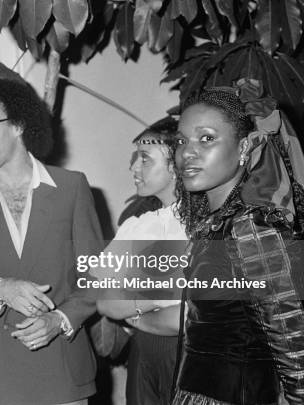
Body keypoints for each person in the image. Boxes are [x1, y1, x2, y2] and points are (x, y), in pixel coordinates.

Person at [0, 79, 103, 405]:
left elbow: (98, 277)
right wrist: (0, 289)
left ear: (18, 125)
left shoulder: (71, 188)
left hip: (63, 373)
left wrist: (59, 321)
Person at [172, 85, 304, 404]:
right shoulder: (218, 223)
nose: (187, 152)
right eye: (181, 140)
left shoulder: (253, 226)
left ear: (245, 146)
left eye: (206, 138)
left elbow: (294, 342)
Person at [96, 117, 186, 405]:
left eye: (145, 159)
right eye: (135, 157)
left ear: (175, 166)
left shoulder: (202, 225)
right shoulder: (137, 225)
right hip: (144, 357)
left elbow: (188, 317)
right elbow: (105, 301)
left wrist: (133, 308)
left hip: (191, 359)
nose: (134, 167)